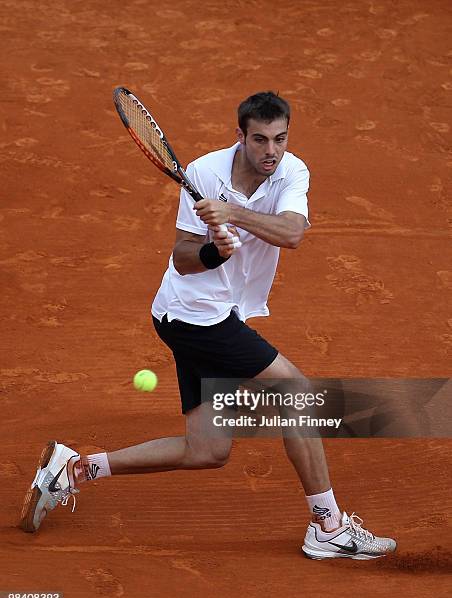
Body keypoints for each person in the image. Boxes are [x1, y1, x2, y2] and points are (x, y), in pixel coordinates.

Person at [20, 91, 396, 560]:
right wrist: (213, 251)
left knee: (208, 451)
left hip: (213, 314)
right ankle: (328, 526)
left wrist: (233, 214)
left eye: (279, 139)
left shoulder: (291, 172)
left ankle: (74, 470)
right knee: (295, 391)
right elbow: (182, 258)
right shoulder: (202, 172)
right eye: (259, 140)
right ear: (239, 136)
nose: (270, 151)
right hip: (194, 316)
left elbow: (293, 233)